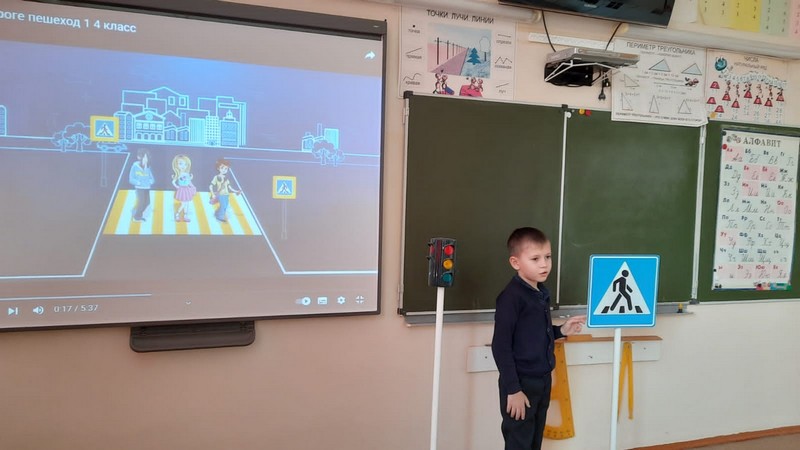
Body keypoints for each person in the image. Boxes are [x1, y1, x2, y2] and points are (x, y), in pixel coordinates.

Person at [491, 227, 586, 450]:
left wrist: (561, 330)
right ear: (515, 262)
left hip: (542, 381)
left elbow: (534, 334)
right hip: (521, 383)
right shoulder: (511, 298)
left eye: (548, 257)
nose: (544, 264)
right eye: (535, 259)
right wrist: (513, 390)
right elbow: (501, 346)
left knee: (534, 441)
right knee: (519, 442)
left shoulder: (540, 293)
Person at [209, 158, 241, 223]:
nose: (224, 170)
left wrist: (236, 191)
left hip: (226, 195)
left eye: (226, 168)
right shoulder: (216, 177)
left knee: (225, 206)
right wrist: (212, 194)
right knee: (223, 206)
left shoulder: (226, 178)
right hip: (221, 195)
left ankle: (217, 213)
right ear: (218, 168)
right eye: (222, 168)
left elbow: (229, 187)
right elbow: (211, 186)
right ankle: (220, 217)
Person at [129, 148, 154, 222]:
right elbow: (131, 178)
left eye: (147, 157)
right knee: (141, 202)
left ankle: (138, 214)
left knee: (147, 202)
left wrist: (150, 181)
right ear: (139, 157)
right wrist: (138, 183)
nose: (146, 159)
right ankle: (137, 217)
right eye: (144, 157)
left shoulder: (148, 167)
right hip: (139, 188)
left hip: (147, 187)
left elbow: (151, 177)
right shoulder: (135, 166)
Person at [171, 154, 196, 222]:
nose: (183, 166)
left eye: (185, 164)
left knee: (187, 203)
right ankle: (177, 214)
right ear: (176, 165)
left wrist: (192, 185)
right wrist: (177, 187)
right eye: (180, 164)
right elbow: (173, 182)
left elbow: (189, 182)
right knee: (183, 203)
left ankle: (185, 216)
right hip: (182, 190)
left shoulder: (187, 174)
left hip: (187, 190)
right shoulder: (178, 174)